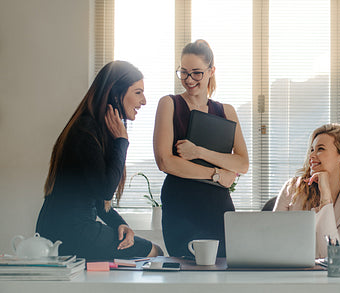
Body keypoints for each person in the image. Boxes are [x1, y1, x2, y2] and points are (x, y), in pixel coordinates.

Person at [36, 60, 163, 260]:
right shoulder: (86, 131)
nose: (144, 101)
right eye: (138, 92)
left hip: (64, 229)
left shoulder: (94, 129)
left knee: (145, 252)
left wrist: (121, 225)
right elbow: (104, 189)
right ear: (115, 93)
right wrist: (122, 141)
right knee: (155, 252)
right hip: (71, 232)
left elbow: (98, 199)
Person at [153, 40, 249, 257]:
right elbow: (165, 161)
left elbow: (242, 163)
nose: (189, 80)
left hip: (217, 207)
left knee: (223, 271)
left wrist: (198, 152)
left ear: (211, 71)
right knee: (185, 271)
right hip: (180, 204)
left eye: (196, 73)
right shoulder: (169, 104)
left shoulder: (227, 111)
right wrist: (216, 175)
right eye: (183, 73)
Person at [273, 123, 340, 258]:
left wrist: (325, 196)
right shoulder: (292, 187)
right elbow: (273, 241)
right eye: (312, 149)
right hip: (287, 266)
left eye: (320, 149)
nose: (311, 155)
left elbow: (330, 254)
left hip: (325, 276)